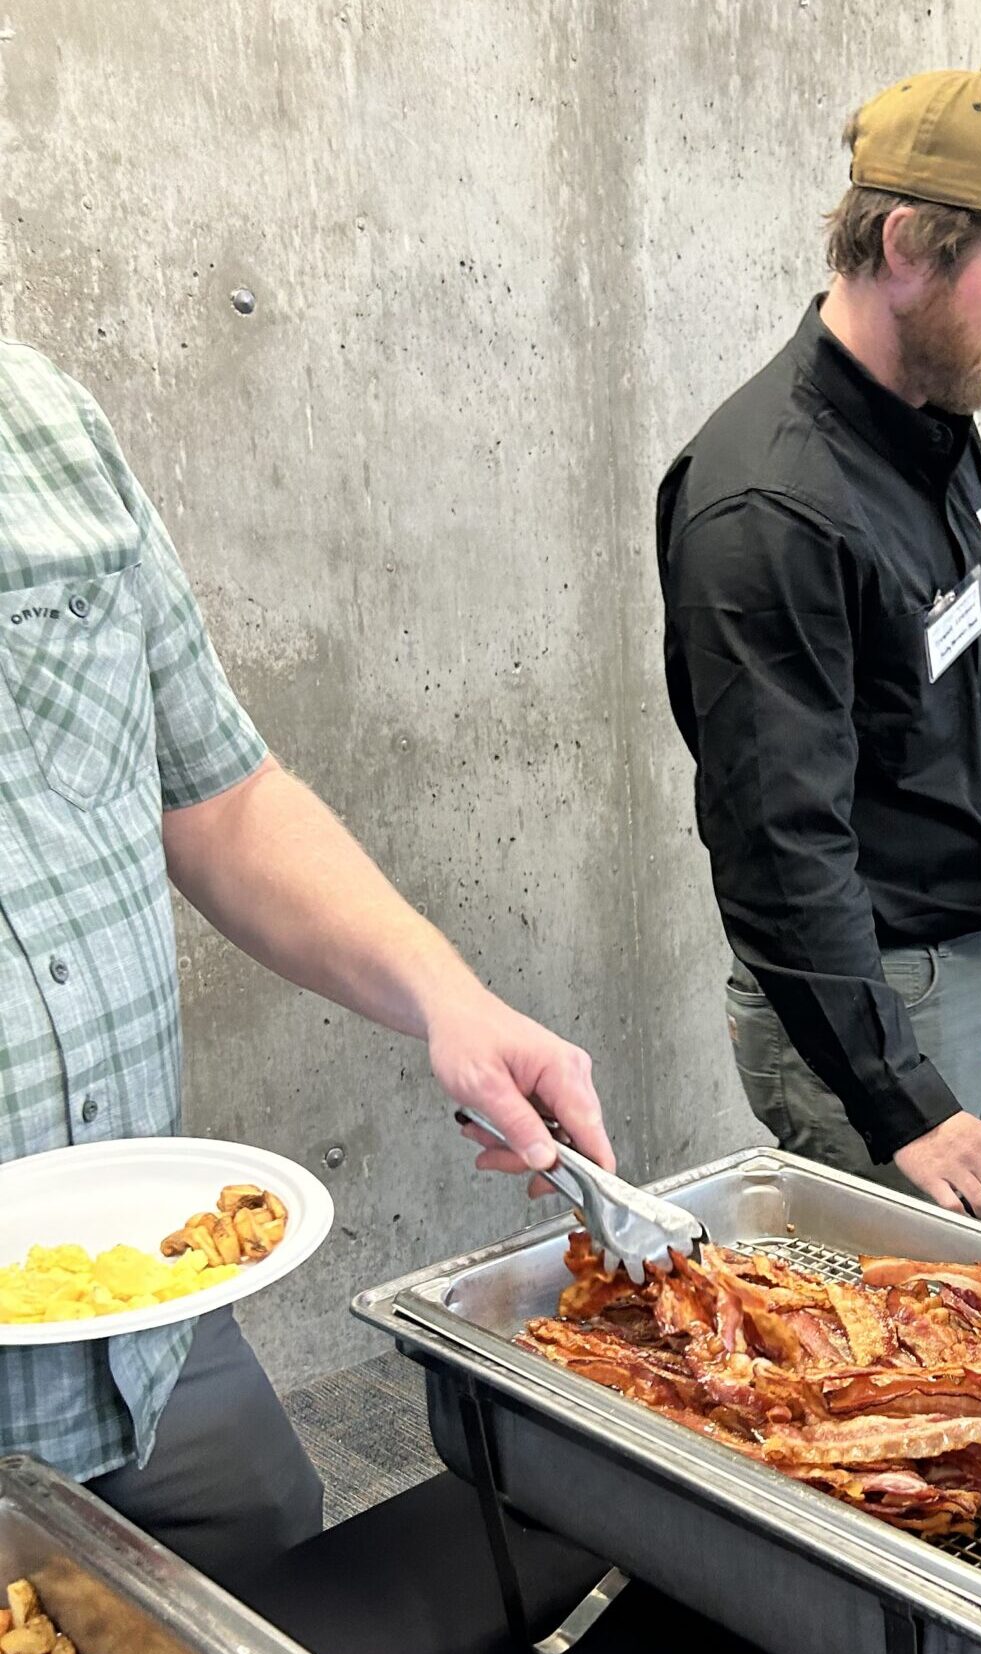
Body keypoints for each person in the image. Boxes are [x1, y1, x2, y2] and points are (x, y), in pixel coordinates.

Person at [0, 337, 614, 1586]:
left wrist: (449, 995)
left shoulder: (42, 418)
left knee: (295, 1600)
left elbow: (218, 796)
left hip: (156, 1324)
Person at [658, 67, 981, 1231]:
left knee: (975, 1299)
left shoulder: (937, 436)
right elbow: (778, 848)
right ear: (907, 244)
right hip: (873, 998)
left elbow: (964, 696)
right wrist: (904, 1101)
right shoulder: (771, 506)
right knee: (915, 1352)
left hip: (959, 968)